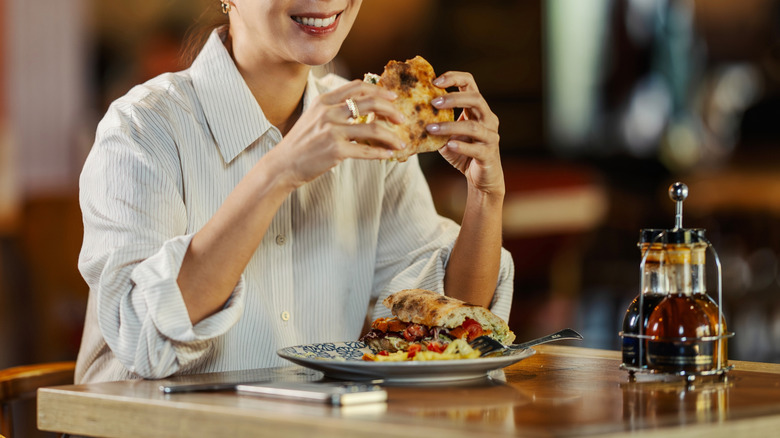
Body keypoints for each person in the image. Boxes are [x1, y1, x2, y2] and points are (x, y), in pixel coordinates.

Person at [75, 0, 515, 383]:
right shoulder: (140, 129)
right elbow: (144, 339)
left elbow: (451, 324)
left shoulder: (373, 124)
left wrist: (485, 195)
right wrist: (279, 171)